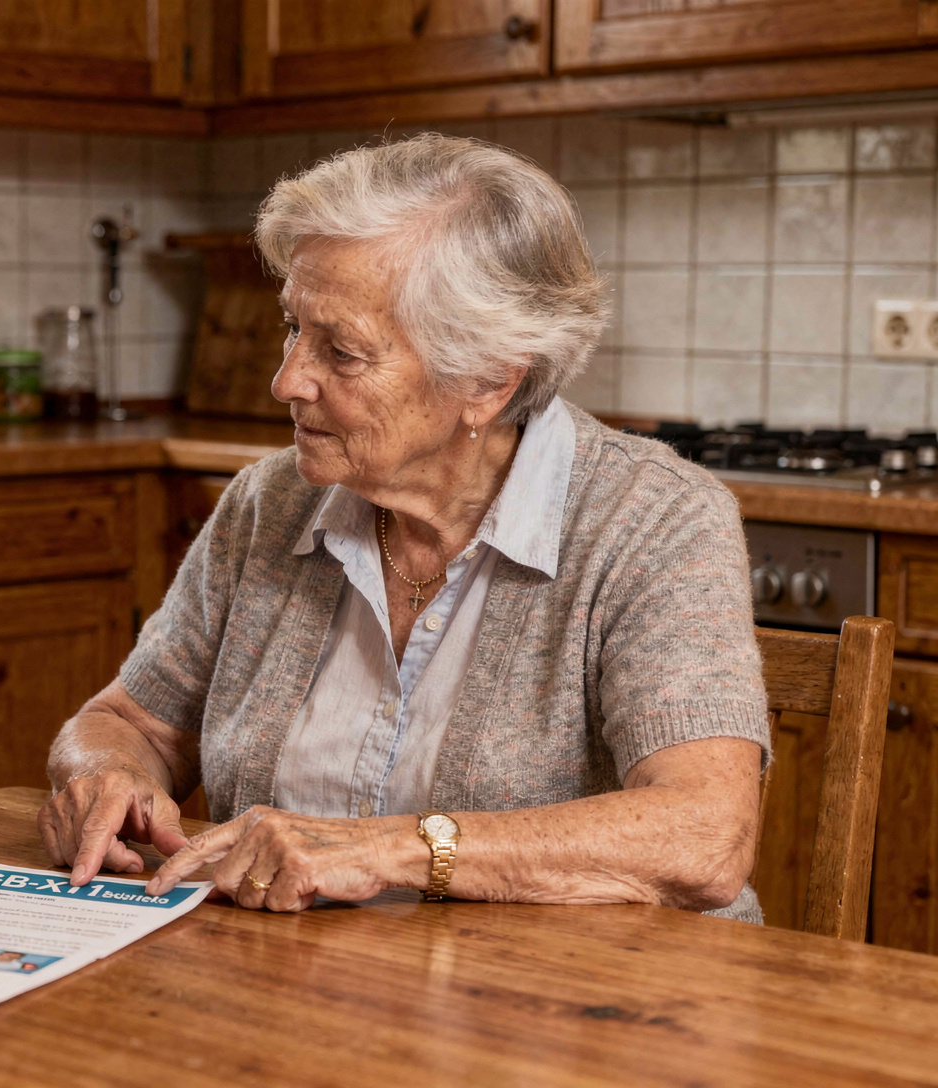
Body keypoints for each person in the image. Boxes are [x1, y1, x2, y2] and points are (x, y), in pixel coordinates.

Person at [39, 134, 770, 921]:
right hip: (300, 993)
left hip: (571, 1013)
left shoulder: (655, 519)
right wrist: (106, 773)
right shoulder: (270, 502)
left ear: (488, 379)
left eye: (342, 352)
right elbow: (128, 722)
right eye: (293, 327)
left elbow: (705, 834)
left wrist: (391, 849)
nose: (286, 379)